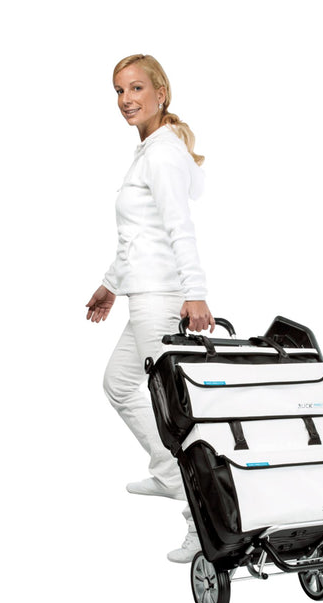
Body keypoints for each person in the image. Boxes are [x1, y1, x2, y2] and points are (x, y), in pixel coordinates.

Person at [85, 54, 214, 563]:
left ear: (161, 93)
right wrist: (109, 285)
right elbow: (139, 237)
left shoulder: (161, 155)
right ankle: (167, 473)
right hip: (144, 294)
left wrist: (195, 292)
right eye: (119, 91)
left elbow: (180, 228)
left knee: (172, 414)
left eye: (136, 88)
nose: (125, 99)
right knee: (118, 384)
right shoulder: (152, 150)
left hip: (159, 300)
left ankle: (200, 518)